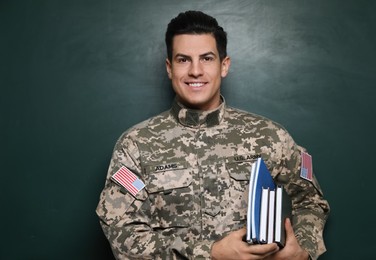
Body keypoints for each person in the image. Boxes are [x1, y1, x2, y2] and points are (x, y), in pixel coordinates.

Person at [96, 10, 330, 260]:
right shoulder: (135, 145)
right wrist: (209, 254)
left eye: (207, 58)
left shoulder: (270, 136)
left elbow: (310, 201)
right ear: (169, 68)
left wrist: (303, 248)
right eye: (183, 60)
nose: (195, 71)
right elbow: (122, 232)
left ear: (224, 65)